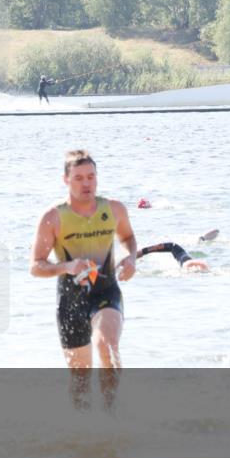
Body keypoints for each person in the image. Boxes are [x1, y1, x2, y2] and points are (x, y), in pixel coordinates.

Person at [30, 150, 136, 409]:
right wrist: (67, 266)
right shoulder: (53, 217)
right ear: (66, 180)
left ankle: (113, 412)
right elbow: (36, 266)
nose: (86, 183)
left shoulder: (114, 209)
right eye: (78, 178)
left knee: (107, 345)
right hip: (70, 301)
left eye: (91, 177)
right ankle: (83, 424)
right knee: (80, 380)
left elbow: (128, 238)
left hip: (106, 292)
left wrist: (131, 258)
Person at [137, 241, 209, 272]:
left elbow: (172, 245)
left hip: (188, 263)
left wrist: (143, 251)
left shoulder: (184, 258)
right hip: (202, 266)